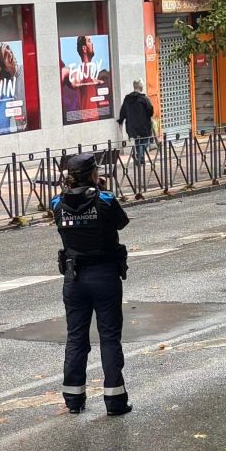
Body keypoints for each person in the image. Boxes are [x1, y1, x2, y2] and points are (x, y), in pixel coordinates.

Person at [50, 152, 132, 416]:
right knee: (109, 337)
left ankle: (74, 400)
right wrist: (101, 191)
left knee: (76, 337)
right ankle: (115, 402)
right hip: (104, 275)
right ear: (94, 174)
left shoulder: (57, 202)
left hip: (74, 278)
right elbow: (122, 222)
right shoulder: (105, 200)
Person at [120, 79, 156, 172]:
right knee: (145, 142)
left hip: (132, 127)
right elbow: (151, 111)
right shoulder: (143, 99)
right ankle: (139, 158)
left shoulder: (127, 99)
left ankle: (140, 159)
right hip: (143, 126)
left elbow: (123, 111)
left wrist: (121, 121)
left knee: (138, 142)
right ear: (141, 87)